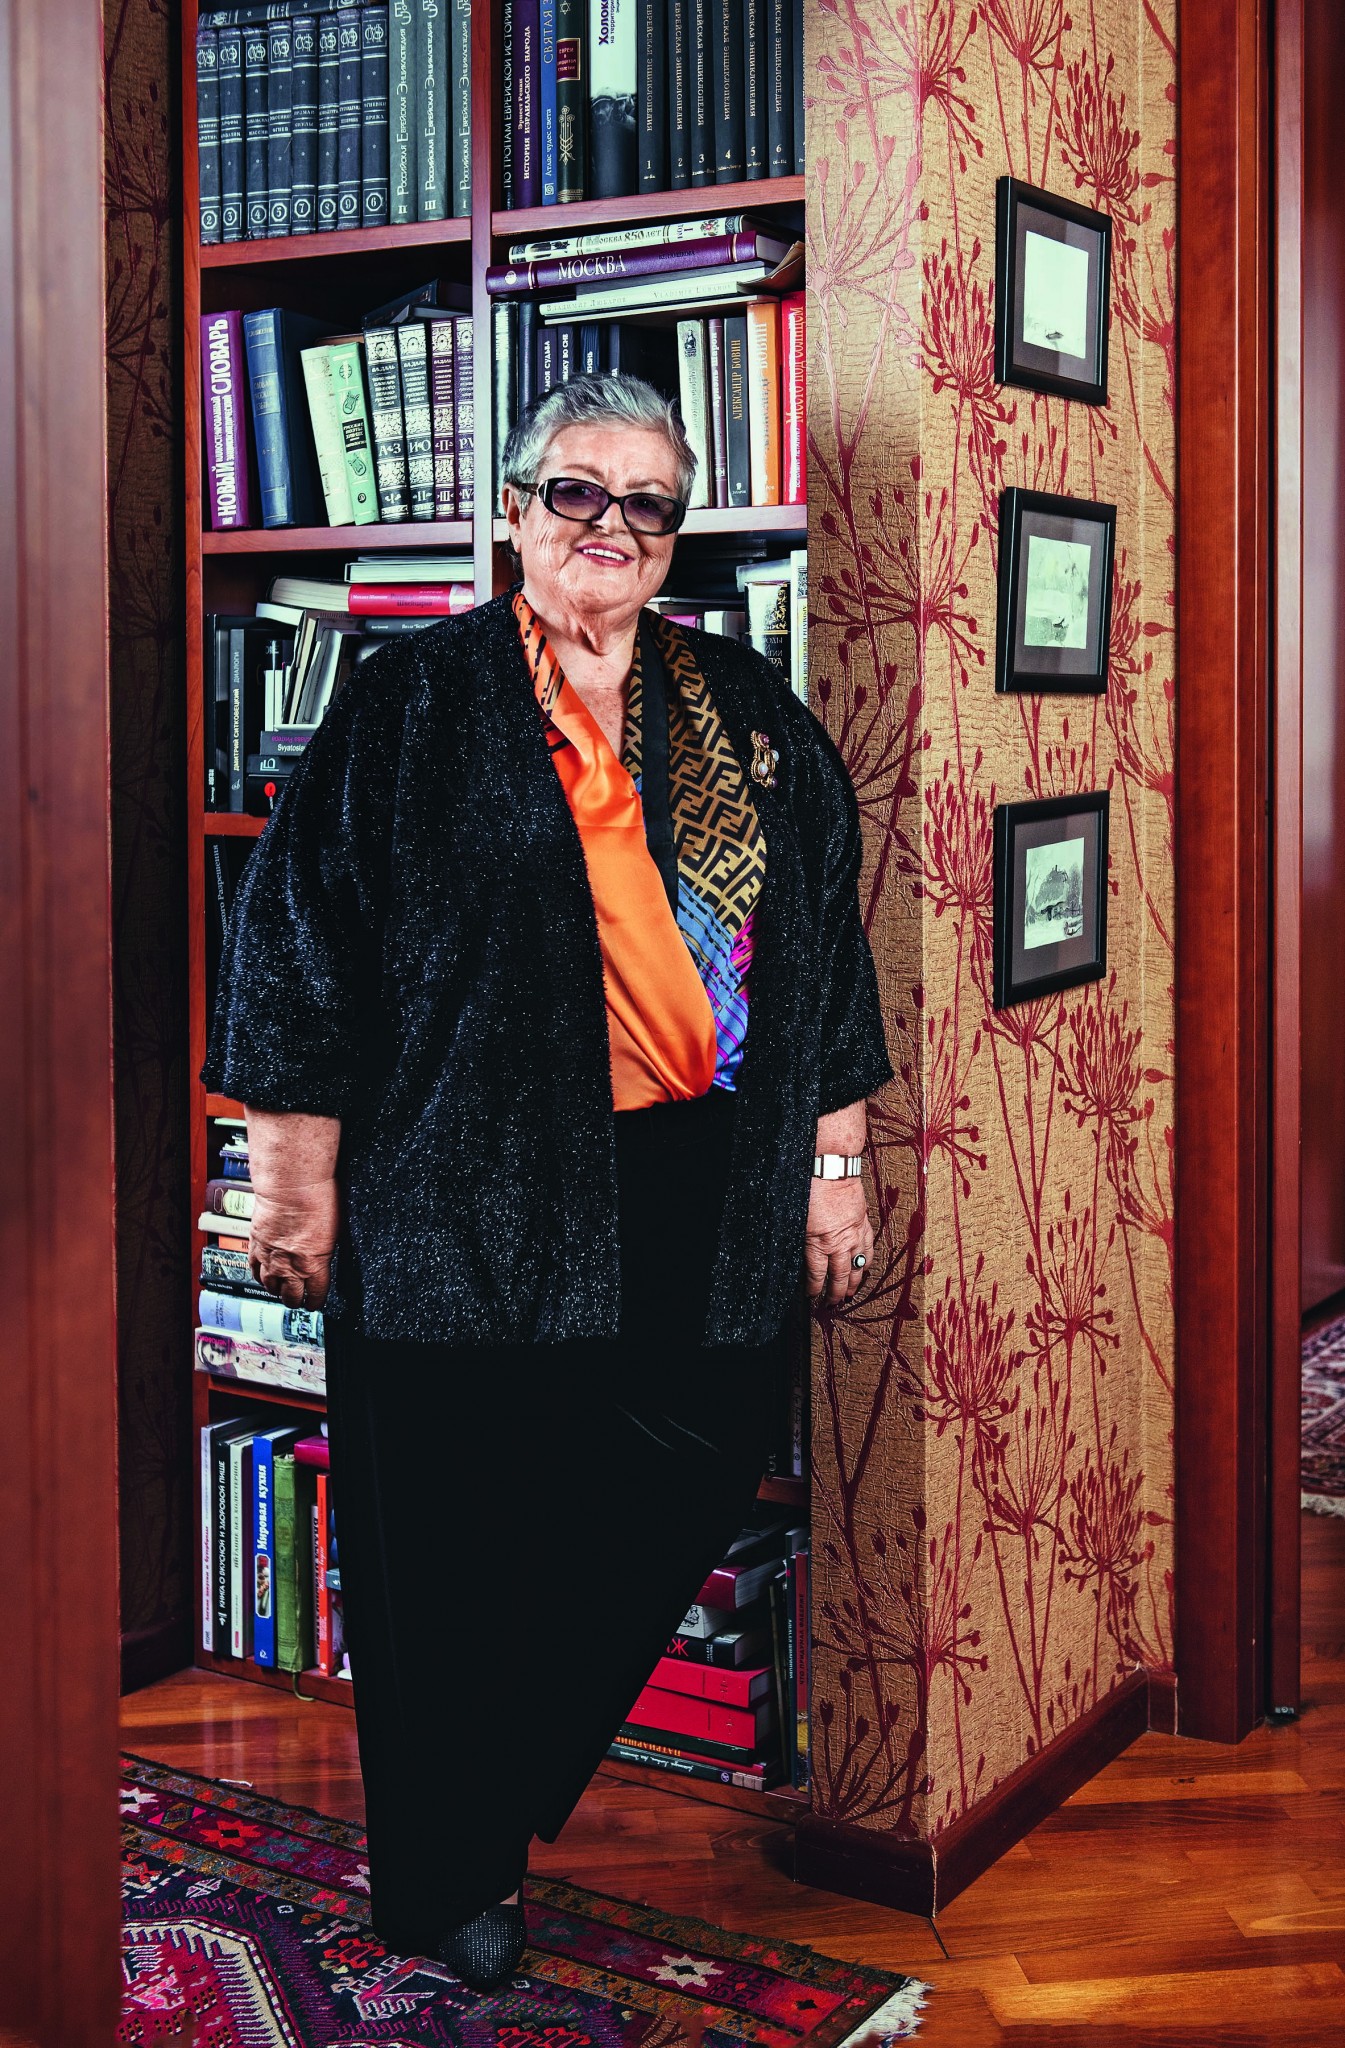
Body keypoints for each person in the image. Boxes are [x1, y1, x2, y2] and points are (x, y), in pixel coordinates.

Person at [202, 372, 893, 1992]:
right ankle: (446, 1880)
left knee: (691, 1464)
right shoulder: (414, 702)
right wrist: (292, 1186)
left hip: (701, 1181)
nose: (610, 526)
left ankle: (495, 1775)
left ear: (675, 531)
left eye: (646, 502)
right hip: (466, 1184)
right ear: (513, 510)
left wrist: (834, 1165)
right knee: (446, 1539)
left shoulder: (741, 708)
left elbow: (821, 951)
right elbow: (295, 946)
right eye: (576, 491)